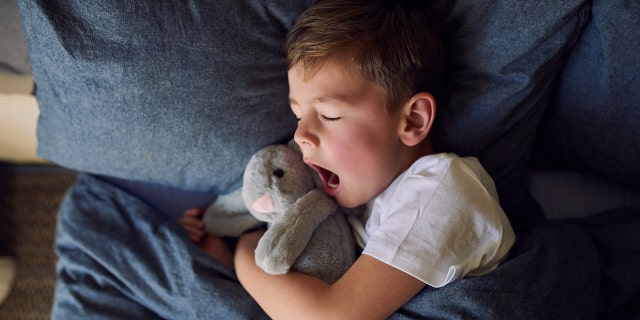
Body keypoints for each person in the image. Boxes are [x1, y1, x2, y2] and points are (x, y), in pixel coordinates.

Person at [179, 0, 515, 318]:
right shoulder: (352, 197)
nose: (300, 136)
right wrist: (220, 254)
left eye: (329, 115)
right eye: (298, 115)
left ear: (412, 120)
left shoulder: (443, 188)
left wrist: (246, 250)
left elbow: (330, 315)